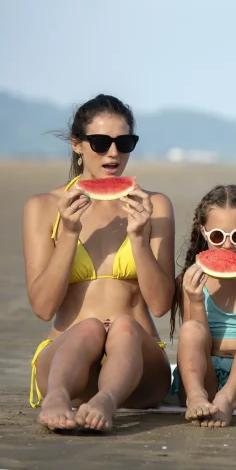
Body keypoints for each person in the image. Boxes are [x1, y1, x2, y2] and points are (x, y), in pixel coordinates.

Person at [23, 94, 176, 432]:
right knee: (90, 326)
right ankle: (56, 397)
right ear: (77, 144)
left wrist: (139, 238)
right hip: (66, 363)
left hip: (139, 370)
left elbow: (162, 304)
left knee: (122, 325)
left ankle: (107, 399)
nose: (113, 152)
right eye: (100, 142)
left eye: (124, 142)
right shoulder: (43, 207)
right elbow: (43, 307)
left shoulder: (155, 205)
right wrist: (69, 234)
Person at [167, 185, 236, 428]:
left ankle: (227, 398)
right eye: (218, 236)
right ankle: (195, 398)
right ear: (204, 232)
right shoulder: (191, 278)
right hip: (202, 375)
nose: (227, 246)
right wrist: (195, 299)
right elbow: (195, 341)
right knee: (191, 329)